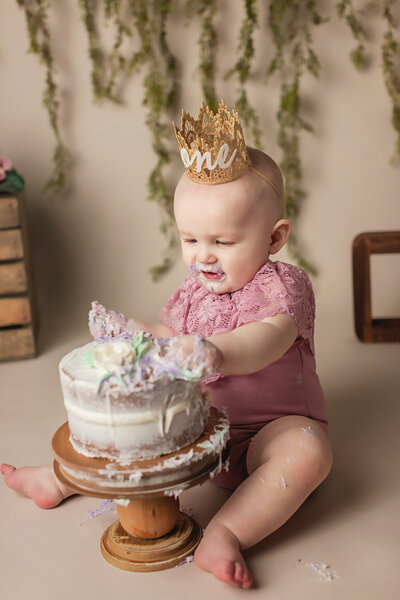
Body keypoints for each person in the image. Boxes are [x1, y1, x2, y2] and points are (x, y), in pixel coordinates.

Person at [1, 101, 332, 590]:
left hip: (271, 432)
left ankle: (226, 533)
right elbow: (168, 336)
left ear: (274, 237)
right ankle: (57, 479)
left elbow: (263, 340)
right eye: (190, 240)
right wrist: (132, 330)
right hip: (203, 431)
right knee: (135, 428)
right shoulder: (195, 291)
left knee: (308, 451)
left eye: (223, 241)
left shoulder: (282, 287)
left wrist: (215, 351)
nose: (203, 256)